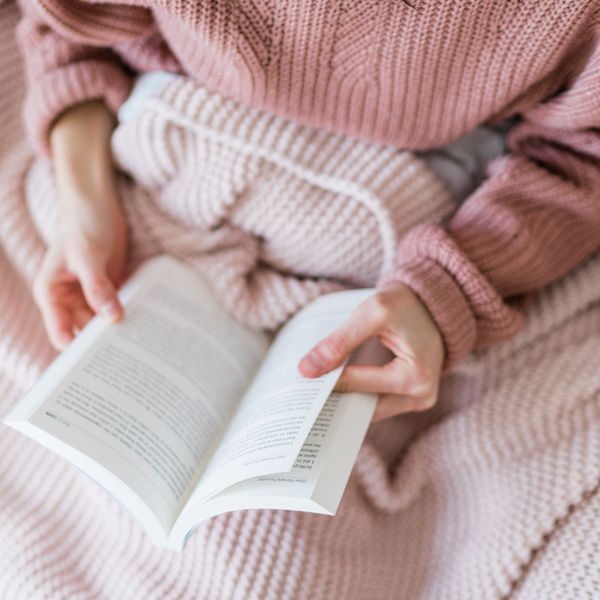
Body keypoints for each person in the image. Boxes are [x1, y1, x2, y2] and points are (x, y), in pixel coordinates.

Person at [17, 2, 600, 446]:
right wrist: (81, 194)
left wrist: (444, 293)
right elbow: (64, 25)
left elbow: (583, 153)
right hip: (135, 147)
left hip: (410, 227)